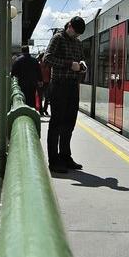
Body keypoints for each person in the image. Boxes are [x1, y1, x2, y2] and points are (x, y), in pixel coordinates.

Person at [42, 16, 87, 174]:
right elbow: (47, 58)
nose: (76, 36)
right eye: (75, 33)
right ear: (69, 26)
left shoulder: (78, 43)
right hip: (59, 86)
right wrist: (70, 64)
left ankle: (65, 156)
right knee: (56, 124)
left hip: (72, 86)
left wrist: (82, 66)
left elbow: (81, 59)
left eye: (78, 35)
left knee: (69, 123)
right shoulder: (58, 38)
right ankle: (54, 160)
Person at [10, 45, 42, 109]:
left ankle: (24, 111)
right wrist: (40, 80)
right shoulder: (34, 60)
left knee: (23, 98)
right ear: (28, 51)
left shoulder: (18, 60)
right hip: (32, 83)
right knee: (32, 98)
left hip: (22, 83)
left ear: (22, 51)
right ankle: (32, 110)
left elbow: (13, 73)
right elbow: (39, 71)